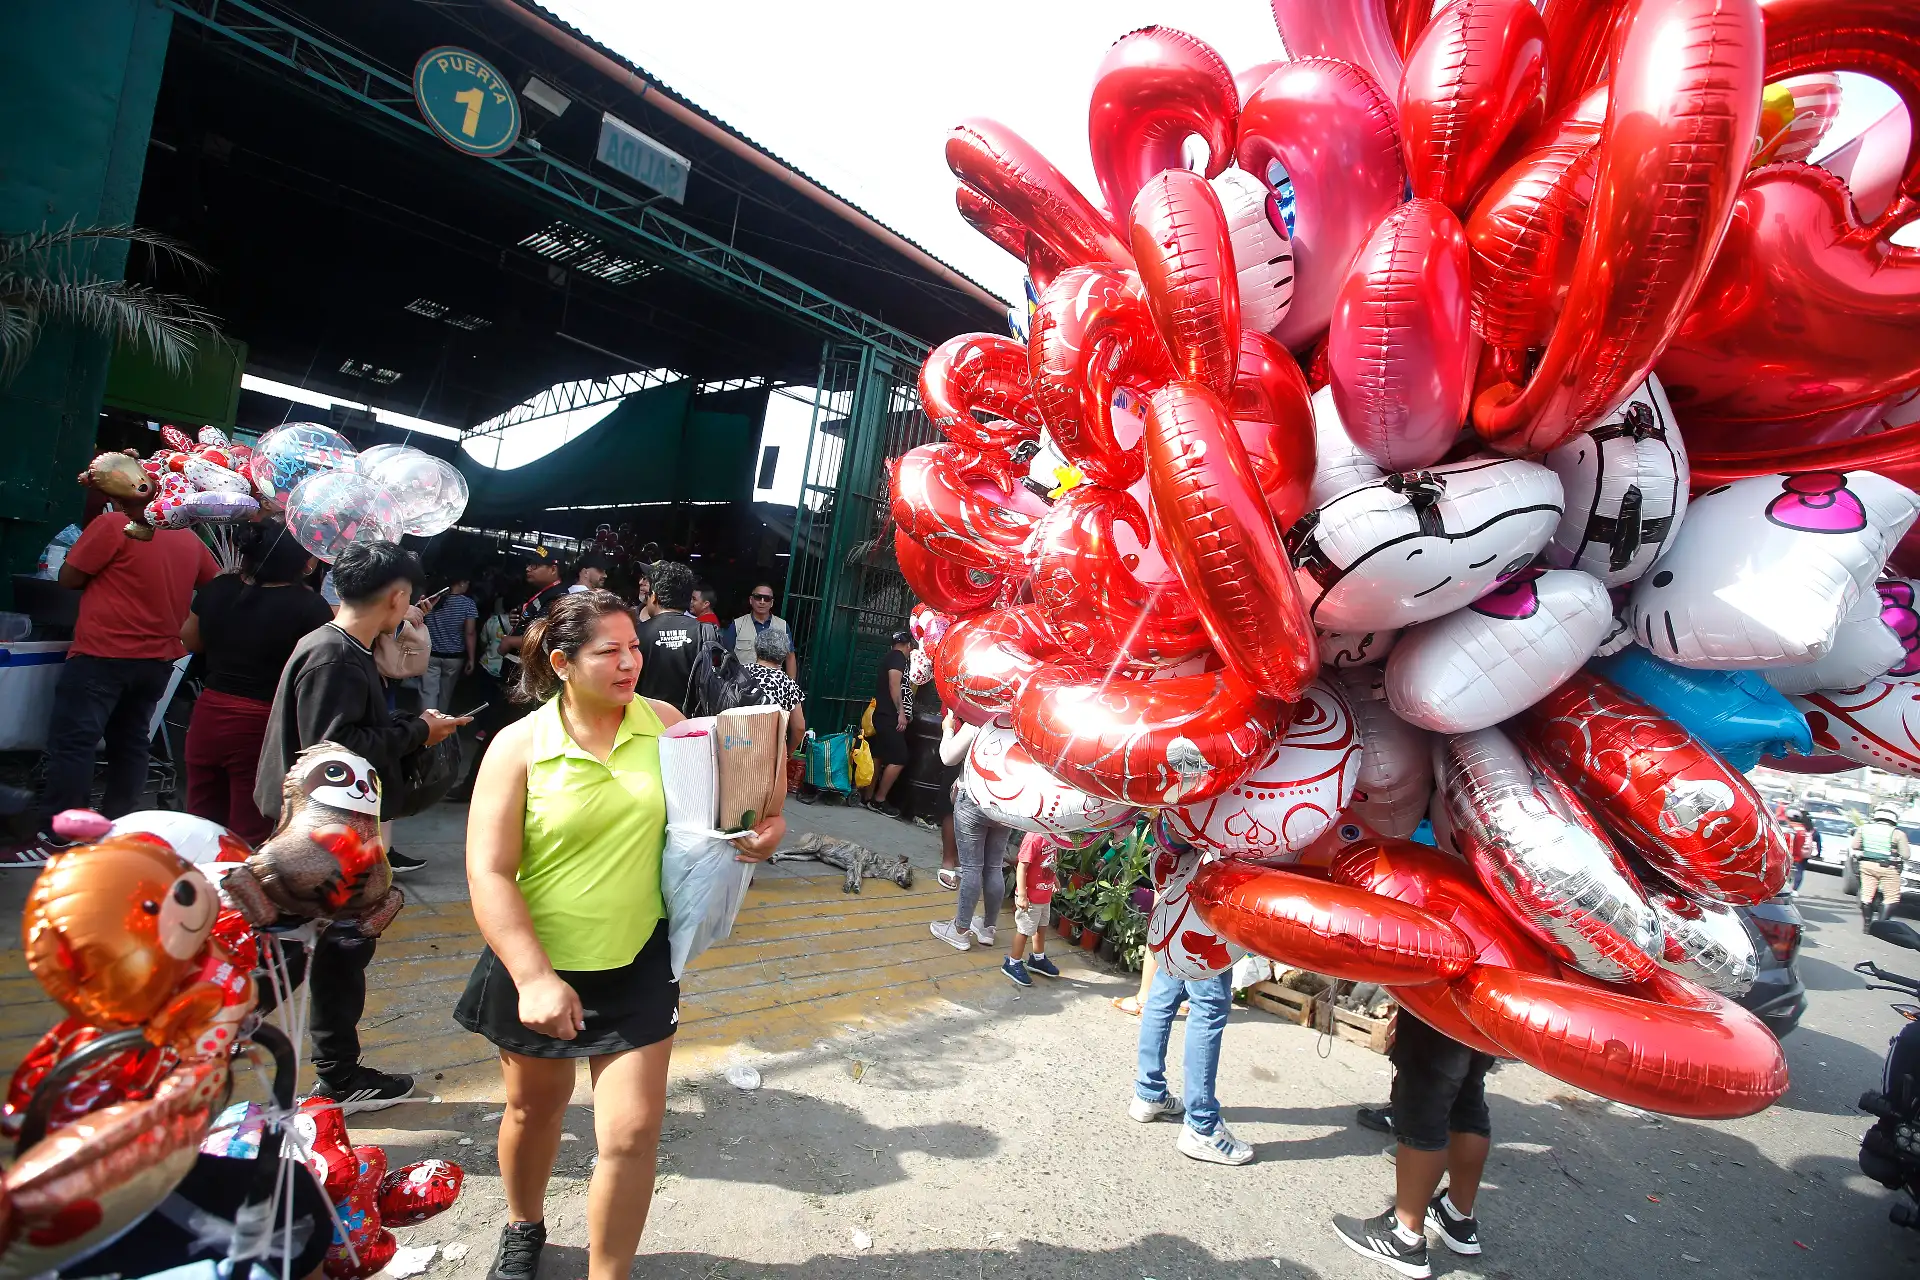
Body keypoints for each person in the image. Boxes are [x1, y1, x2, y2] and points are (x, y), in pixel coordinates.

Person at [458, 591, 783, 1280]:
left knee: (632, 1133)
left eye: (633, 647)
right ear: (563, 662)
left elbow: (742, 797)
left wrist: (765, 827)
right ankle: (523, 1226)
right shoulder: (518, 747)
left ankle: (610, 1273)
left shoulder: (666, 725)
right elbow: (488, 873)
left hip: (639, 957)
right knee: (532, 1112)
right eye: (610, 651)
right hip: (539, 965)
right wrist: (534, 977)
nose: (630, 661)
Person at [257, 541, 470, 1111]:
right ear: (399, 597)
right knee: (327, 955)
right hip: (319, 838)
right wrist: (418, 733)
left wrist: (409, 723)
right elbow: (335, 751)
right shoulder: (334, 656)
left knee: (319, 954)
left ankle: (328, 1068)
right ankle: (337, 1077)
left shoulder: (338, 648)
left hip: (317, 833)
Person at [25, 476, 219, 859]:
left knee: (75, 745)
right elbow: (214, 585)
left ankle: (61, 835)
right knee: (131, 744)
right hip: (156, 663)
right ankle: (119, 827)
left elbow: (68, 579)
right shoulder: (189, 540)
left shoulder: (114, 526)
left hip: (102, 655)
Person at [181, 521, 330, 845]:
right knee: (250, 825)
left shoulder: (218, 588)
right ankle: (238, 891)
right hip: (262, 721)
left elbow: (190, 640)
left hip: (209, 711)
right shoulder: (309, 606)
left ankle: (197, 886)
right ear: (300, 562)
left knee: (201, 814)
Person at [1332, 1012, 1493, 1277]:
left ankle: (1403, 1235)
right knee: (1469, 1094)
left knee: (1426, 1091)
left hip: (1445, 989)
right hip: (1494, 994)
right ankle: (1458, 1214)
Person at [1131, 829, 1251, 1167]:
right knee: (1209, 1006)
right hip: (1210, 891)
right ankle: (1201, 1125)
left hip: (1177, 888)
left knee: (1163, 995)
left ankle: (1148, 1092)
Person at [929, 766, 1011, 952]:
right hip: (1007, 803)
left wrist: (949, 735)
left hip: (975, 796)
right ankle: (988, 928)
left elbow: (948, 757)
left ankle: (960, 931)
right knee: (994, 866)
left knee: (971, 868)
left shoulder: (982, 733)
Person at [635, 561, 706, 715]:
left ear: (654, 597)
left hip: (646, 721)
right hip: (692, 726)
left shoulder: (636, 634)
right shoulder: (705, 632)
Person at [1002, 832, 1062, 987]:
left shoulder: (1053, 835)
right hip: (1031, 897)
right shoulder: (1034, 838)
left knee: (1041, 928)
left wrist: (1054, 879)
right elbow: (1021, 866)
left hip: (1045, 895)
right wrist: (1022, 894)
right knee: (1024, 930)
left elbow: (1049, 862)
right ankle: (1013, 962)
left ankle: (1038, 958)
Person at [499, 549, 568, 679]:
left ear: (553, 569)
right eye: (528, 564)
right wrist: (521, 620)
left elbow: (544, 638)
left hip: (525, 672)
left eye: (535, 565)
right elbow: (537, 623)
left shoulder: (557, 598)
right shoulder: (546, 592)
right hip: (519, 668)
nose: (528, 569)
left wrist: (510, 641)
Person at [865, 631, 914, 816]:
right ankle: (879, 800)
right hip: (888, 716)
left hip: (882, 714)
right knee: (900, 757)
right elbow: (895, 685)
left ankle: (868, 797)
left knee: (878, 755)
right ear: (909, 645)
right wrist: (901, 712)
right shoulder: (898, 659)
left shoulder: (890, 656)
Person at [421, 575, 478, 711]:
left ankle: (426, 724)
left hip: (431, 654)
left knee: (428, 692)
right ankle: (440, 724)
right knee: (446, 694)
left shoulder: (432, 601)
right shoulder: (468, 604)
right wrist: (471, 658)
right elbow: (470, 633)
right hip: (454, 657)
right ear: (461, 583)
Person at [746, 627, 807, 751]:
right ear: (784, 654)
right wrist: (788, 752)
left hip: (732, 743)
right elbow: (799, 728)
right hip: (766, 752)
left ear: (757, 649)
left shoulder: (739, 672)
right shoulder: (788, 685)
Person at [722, 584, 796, 678]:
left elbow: (790, 657)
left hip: (772, 685)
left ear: (772, 603)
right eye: (758, 597)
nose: (762, 602)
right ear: (751, 600)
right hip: (742, 685)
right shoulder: (737, 625)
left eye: (767, 598)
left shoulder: (782, 625)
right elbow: (726, 655)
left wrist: (791, 684)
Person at [1854, 806, 1910, 929]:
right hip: (1888, 868)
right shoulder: (1897, 833)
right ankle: (1881, 925)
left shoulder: (1863, 829)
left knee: (1866, 895)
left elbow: (1855, 846)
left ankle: (1867, 925)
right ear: (1894, 819)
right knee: (1891, 898)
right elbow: (1906, 855)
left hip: (1867, 865)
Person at [1783, 808, 1814, 894]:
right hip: (1797, 856)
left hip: (1789, 857)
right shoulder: (1802, 829)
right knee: (1793, 875)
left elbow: (1790, 845)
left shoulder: (1792, 830)